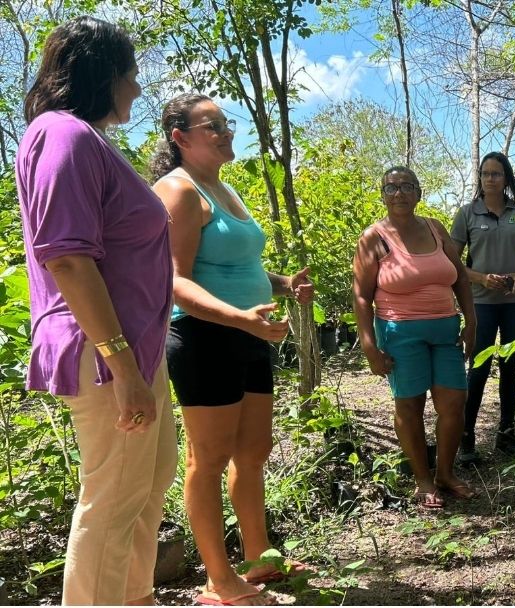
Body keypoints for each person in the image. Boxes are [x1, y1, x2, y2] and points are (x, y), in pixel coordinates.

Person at [17, 17, 176, 605]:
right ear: (103, 73)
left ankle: (133, 598)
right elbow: (67, 259)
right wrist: (123, 366)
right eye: (131, 74)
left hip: (134, 351)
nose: (137, 88)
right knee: (112, 499)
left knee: (146, 486)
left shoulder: (85, 139)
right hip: (105, 352)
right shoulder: (62, 134)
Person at [150, 93, 315, 606]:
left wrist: (282, 283)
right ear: (181, 138)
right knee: (209, 458)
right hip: (203, 338)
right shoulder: (177, 191)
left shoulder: (223, 188)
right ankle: (219, 581)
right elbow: (175, 282)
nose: (224, 132)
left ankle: (259, 558)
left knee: (253, 451)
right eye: (211, 126)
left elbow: (233, 269)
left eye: (225, 123)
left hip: (247, 335)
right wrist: (239, 317)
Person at [352, 166, 478, 510]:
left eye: (407, 186)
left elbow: (461, 279)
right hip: (399, 331)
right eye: (391, 187)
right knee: (410, 404)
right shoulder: (374, 238)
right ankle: (423, 480)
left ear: (419, 193)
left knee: (453, 403)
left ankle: (445, 474)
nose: (399, 193)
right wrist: (369, 345)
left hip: (445, 329)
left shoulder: (435, 229)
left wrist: (471, 322)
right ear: (382, 195)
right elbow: (362, 296)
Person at [449, 152, 515, 463]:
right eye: (486, 173)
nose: (490, 178)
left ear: (506, 178)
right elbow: (452, 264)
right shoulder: (467, 214)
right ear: (480, 178)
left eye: (497, 174)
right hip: (481, 303)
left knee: (510, 367)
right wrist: (481, 278)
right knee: (477, 368)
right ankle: (466, 438)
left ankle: (506, 434)